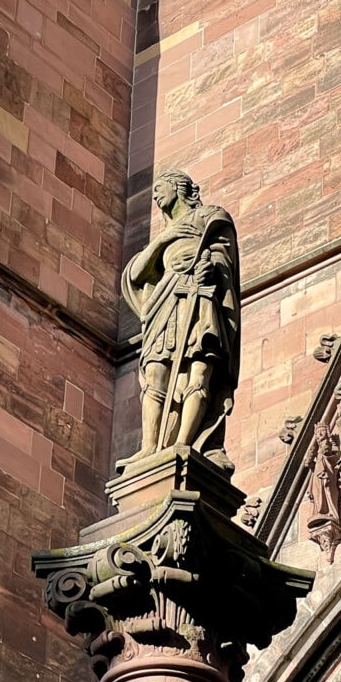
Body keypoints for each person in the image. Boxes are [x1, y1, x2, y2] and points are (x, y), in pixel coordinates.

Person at [118, 170, 240, 473]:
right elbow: (135, 275)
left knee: (199, 369)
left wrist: (210, 267)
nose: (156, 195)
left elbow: (224, 255)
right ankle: (150, 447)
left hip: (200, 299)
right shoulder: (167, 232)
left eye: (160, 188)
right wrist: (164, 240)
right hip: (166, 302)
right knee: (156, 374)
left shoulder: (210, 217)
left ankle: (185, 443)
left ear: (178, 187)